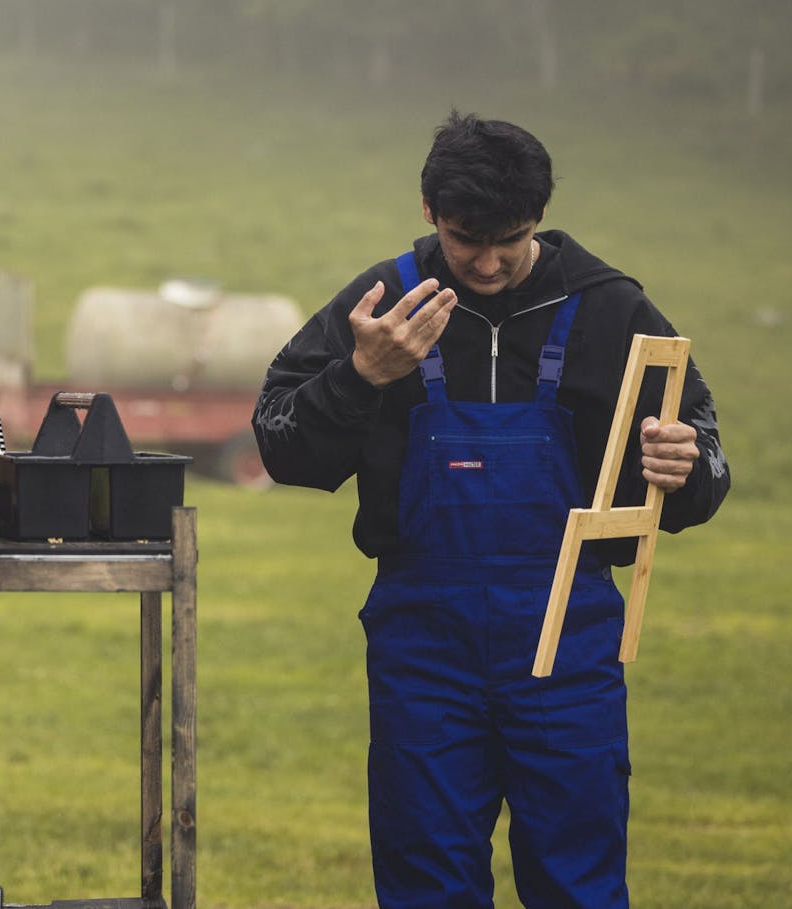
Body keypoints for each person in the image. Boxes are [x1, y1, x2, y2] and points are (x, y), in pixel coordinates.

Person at [252, 112, 729, 908]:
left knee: (576, 881)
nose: (487, 259)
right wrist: (361, 375)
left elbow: (702, 450)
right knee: (424, 881)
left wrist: (684, 469)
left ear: (538, 217)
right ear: (429, 210)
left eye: (509, 237)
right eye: (465, 235)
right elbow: (279, 443)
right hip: (422, 646)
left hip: (568, 645)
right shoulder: (383, 302)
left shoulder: (612, 309)